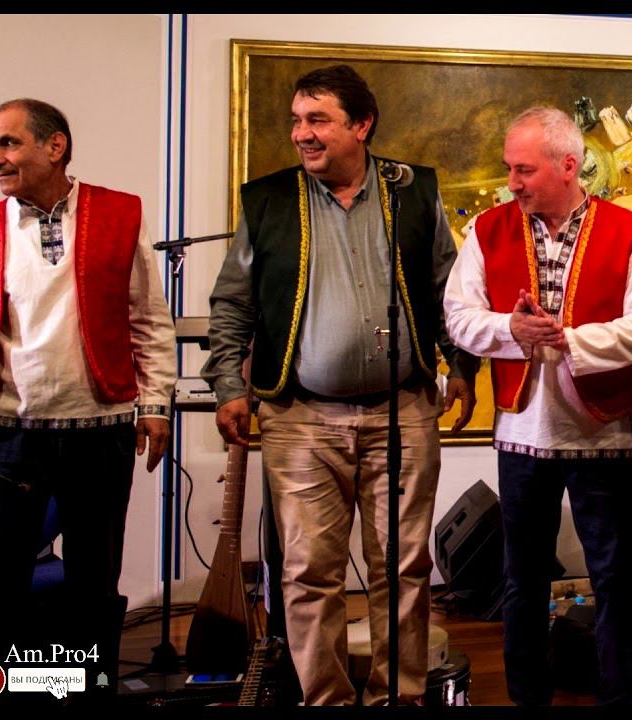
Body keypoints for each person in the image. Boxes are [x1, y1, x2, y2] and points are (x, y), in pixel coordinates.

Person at [202, 64, 477, 706]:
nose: (302, 133)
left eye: (318, 120)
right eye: (297, 120)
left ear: (362, 125)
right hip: (299, 418)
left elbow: (449, 288)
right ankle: (324, 700)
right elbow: (232, 304)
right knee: (307, 573)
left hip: (403, 409)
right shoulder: (268, 200)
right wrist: (228, 386)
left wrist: (462, 364)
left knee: (403, 568)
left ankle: (396, 698)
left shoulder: (414, 191)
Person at [0, 98, 176, 693]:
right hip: (2, 437)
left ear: (55, 146)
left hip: (100, 432)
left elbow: (148, 317)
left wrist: (155, 404)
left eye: (8, 143)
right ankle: (0, 695)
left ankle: (80, 690)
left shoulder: (118, 214)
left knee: (93, 588)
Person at [444, 106, 632, 706]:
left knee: (615, 579)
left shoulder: (628, 231)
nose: (512, 182)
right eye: (509, 168)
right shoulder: (488, 229)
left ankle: (622, 700)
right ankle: (528, 699)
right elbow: (458, 317)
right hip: (522, 436)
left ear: (569, 166)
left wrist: (572, 340)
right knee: (521, 580)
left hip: (604, 435)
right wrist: (511, 330)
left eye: (524, 170)